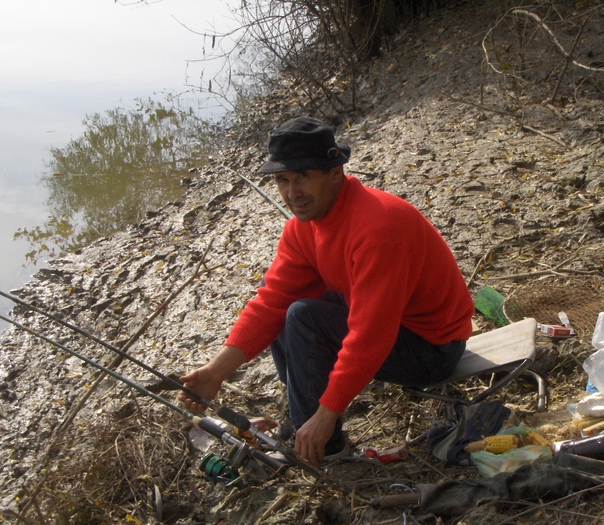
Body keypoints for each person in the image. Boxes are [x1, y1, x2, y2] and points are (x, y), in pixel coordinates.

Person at [179, 116, 474, 467]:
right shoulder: (303, 228)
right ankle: (302, 424)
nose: (292, 193)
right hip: (389, 325)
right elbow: (270, 302)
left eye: (303, 176)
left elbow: (371, 334)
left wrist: (326, 414)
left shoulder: (378, 227)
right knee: (286, 304)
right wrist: (216, 372)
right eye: (283, 180)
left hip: (433, 347)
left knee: (304, 316)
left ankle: (325, 446)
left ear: (336, 173)